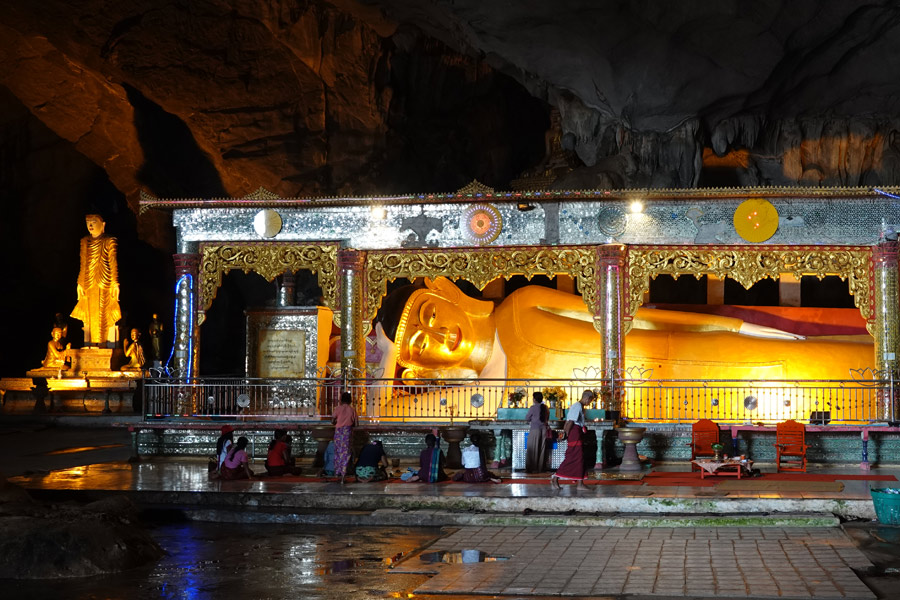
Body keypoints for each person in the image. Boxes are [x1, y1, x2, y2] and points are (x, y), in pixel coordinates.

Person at [70, 214, 121, 347]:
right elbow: (83, 262)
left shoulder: (109, 240)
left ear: (103, 224)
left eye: (94, 222)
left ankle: (103, 344)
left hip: (105, 281)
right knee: (89, 314)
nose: (90, 225)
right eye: (88, 222)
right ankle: (91, 344)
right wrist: (79, 282)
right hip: (88, 281)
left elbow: (113, 261)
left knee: (104, 312)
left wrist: (115, 282)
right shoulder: (85, 241)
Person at [550, 390, 595, 490]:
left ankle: (580, 483)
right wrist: (565, 434)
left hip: (577, 433)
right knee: (573, 458)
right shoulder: (577, 406)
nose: (589, 403)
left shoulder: (579, 406)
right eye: (590, 401)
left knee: (580, 458)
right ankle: (555, 477)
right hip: (574, 434)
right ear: (587, 398)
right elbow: (570, 422)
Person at [331, 391, 358, 484]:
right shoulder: (352, 410)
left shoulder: (337, 409)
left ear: (341, 400)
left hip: (338, 432)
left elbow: (332, 420)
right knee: (346, 454)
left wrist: (338, 422)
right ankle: (343, 476)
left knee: (338, 452)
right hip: (347, 433)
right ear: (350, 400)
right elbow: (356, 424)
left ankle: (338, 473)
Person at [525, 391, 550, 473]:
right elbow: (547, 418)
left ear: (534, 399)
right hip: (544, 430)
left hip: (535, 429)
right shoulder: (545, 408)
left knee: (532, 448)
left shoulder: (533, 408)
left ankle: (532, 468)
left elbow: (527, 418)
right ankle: (540, 468)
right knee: (542, 449)